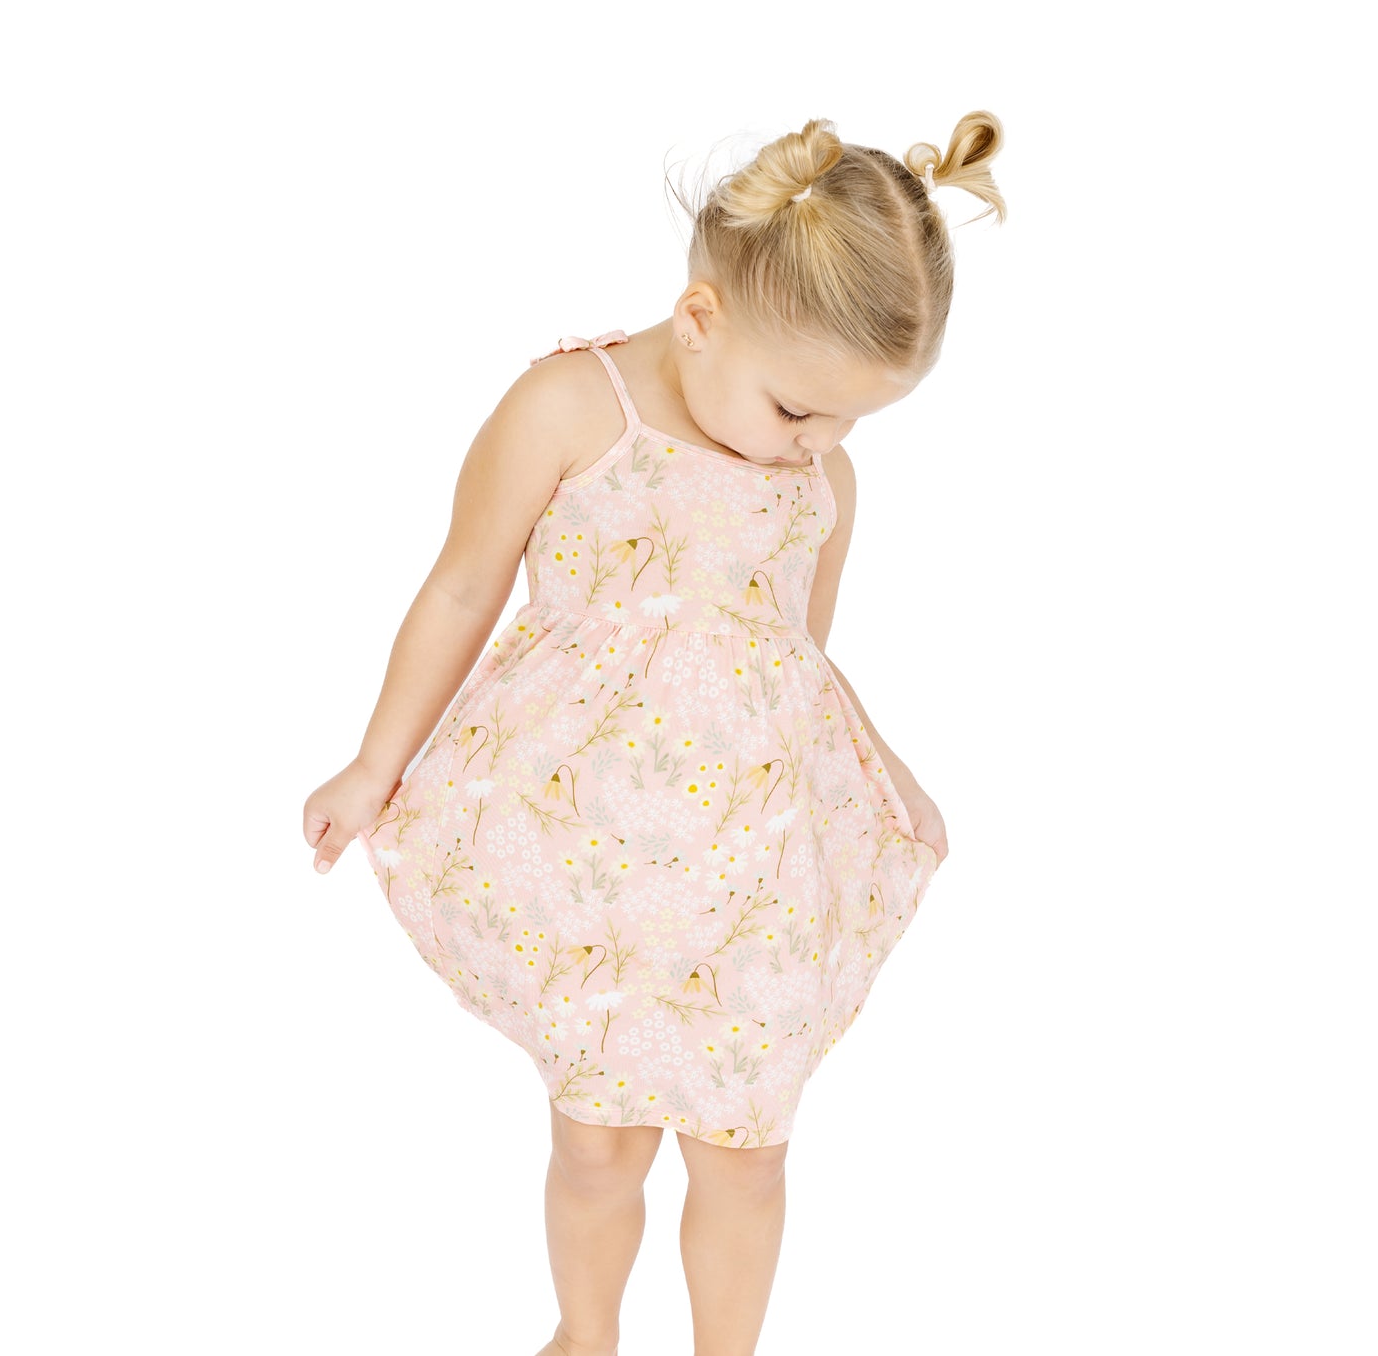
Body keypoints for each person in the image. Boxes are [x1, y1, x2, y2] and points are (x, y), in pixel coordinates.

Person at [302, 111, 1005, 1356]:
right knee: (598, 1142)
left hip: (750, 880)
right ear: (699, 318)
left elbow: (793, 658)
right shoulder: (571, 406)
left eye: (850, 426)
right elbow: (463, 585)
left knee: (743, 1155)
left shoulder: (820, 483)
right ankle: (584, 1332)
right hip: (583, 864)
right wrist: (373, 760)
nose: (819, 448)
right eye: (800, 410)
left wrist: (887, 774)